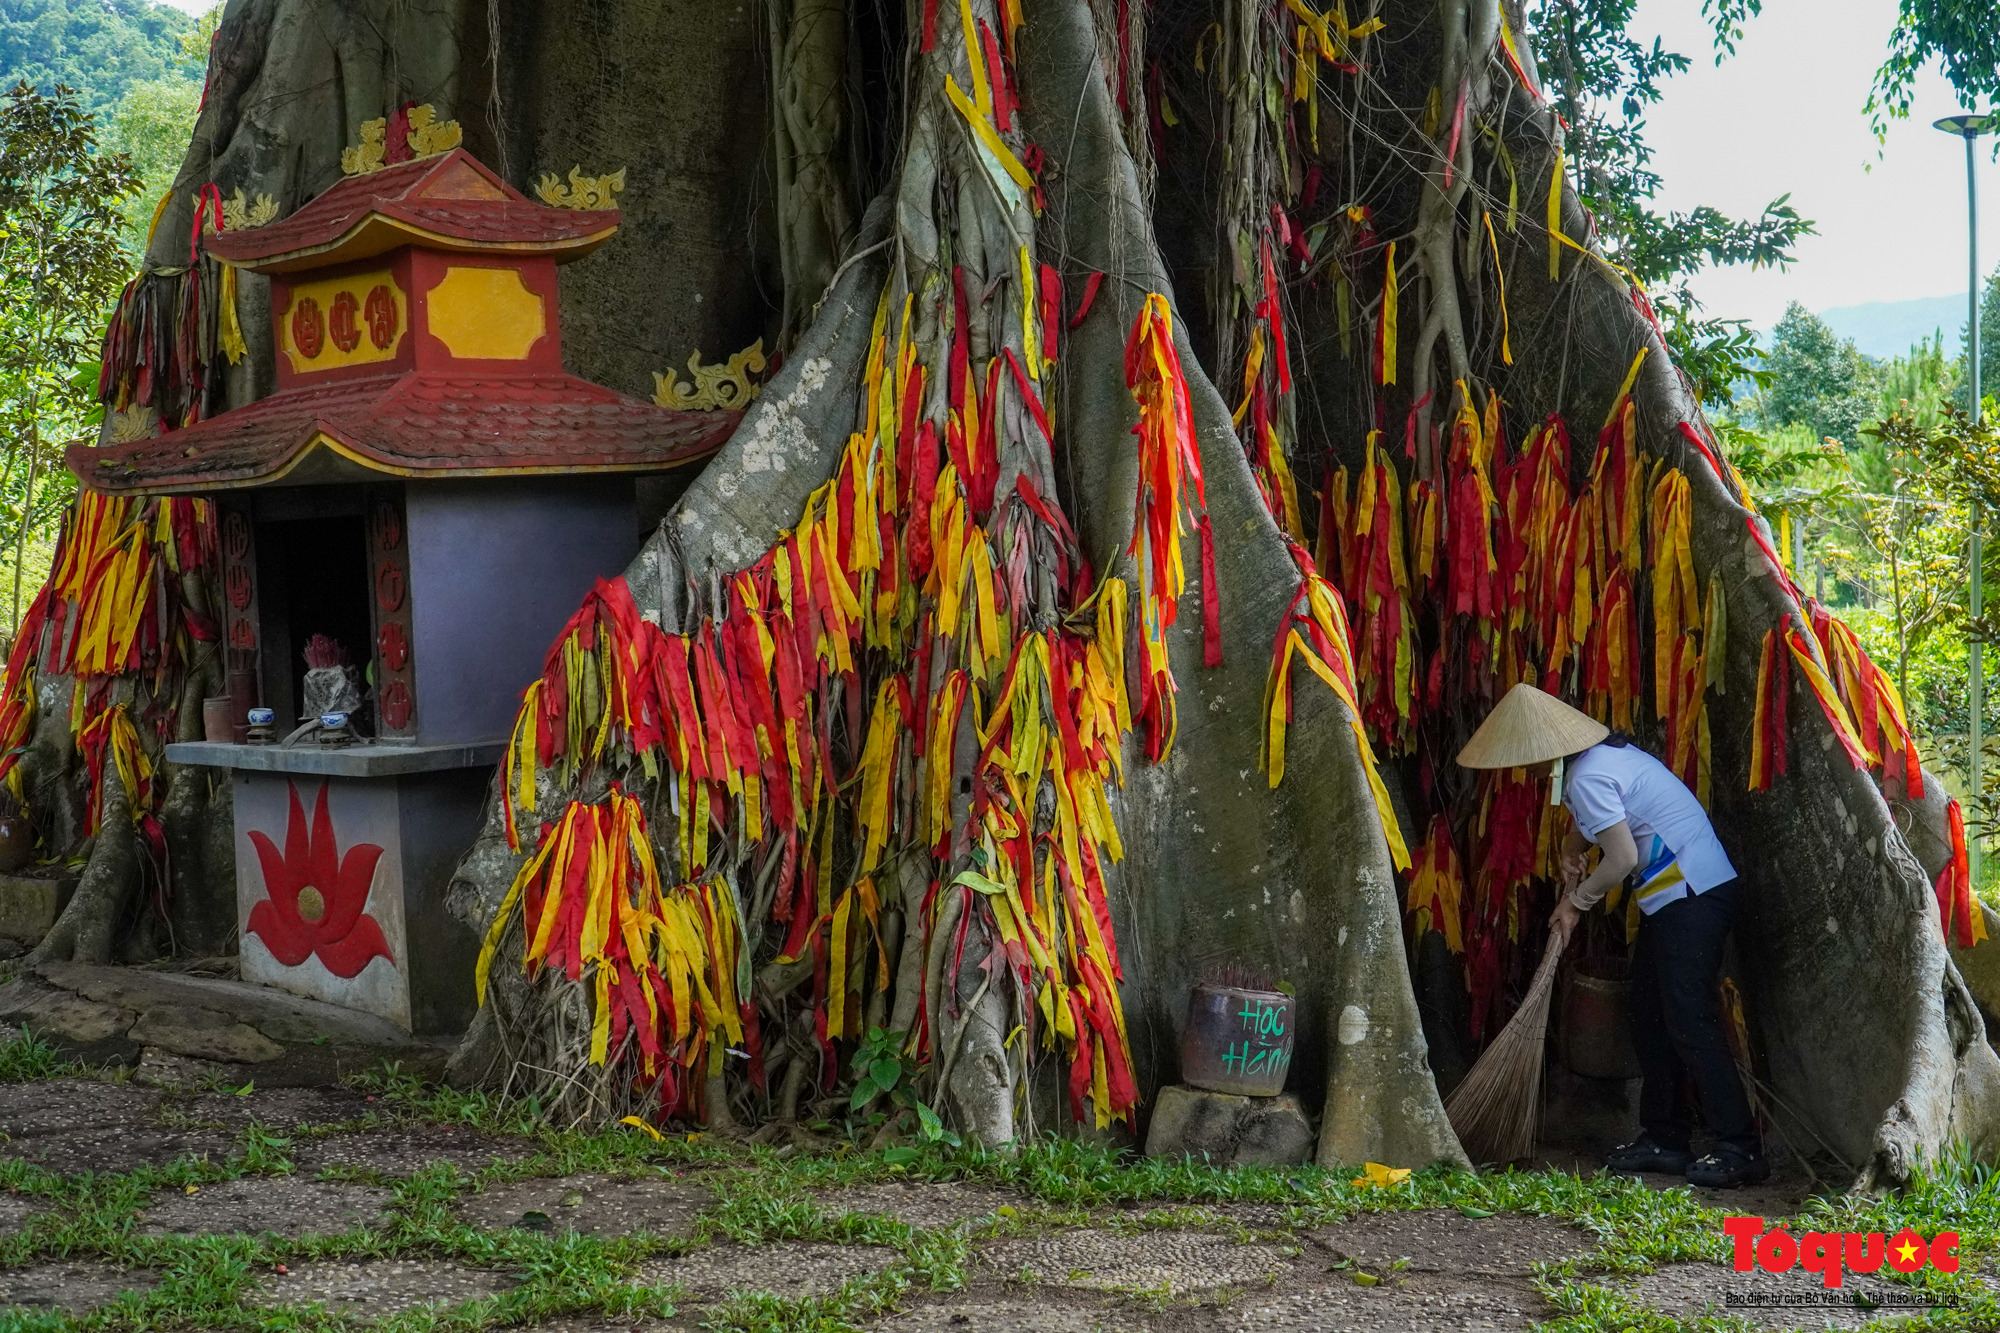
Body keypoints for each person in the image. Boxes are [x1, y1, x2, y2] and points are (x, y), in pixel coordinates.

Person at [1456, 682, 1765, 1188]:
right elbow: (1605, 823)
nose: (1525, 770)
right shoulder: (1597, 762)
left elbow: (1622, 858)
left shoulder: (1587, 777)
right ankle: (1665, 1138)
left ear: (1548, 753)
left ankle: (1741, 1147)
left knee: (1689, 1018)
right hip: (1673, 900)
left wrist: (1574, 904)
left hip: (1694, 895)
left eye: (1527, 759)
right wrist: (1571, 849)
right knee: (1649, 1015)